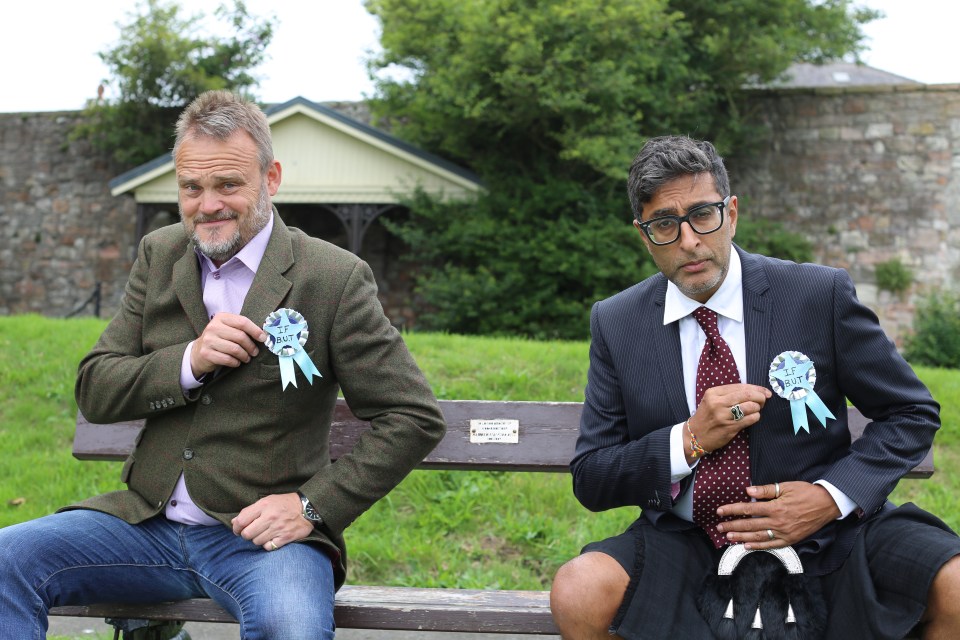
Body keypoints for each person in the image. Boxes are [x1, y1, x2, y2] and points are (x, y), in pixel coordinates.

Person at [0, 90, 446, 639]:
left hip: (263, 543)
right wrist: (187, 361)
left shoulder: (333, 277)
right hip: (144, 525)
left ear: (271, 178)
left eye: (228, 184)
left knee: (293, 628)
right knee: (5, 561)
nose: (207, 204)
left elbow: (412, 417)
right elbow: (95, 387)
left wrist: (311, 506)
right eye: (192, 187)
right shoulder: (159, 254)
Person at [549, 135, 960, 639]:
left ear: (732, 212)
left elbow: (911, 413)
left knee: (957, 584)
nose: (689, 241)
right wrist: (689, 438)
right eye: (664, 225)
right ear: (644, 234)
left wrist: (828, 499)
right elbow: (592, 476)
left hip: (828, 535)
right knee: (579, 590)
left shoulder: (816, 294)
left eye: (703, 214)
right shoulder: (617, 322)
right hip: (689, 542)